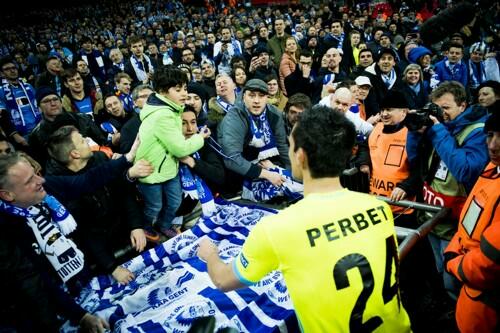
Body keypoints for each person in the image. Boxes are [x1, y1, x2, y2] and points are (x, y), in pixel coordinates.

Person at [198, 106, 411, 332]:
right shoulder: (379, 207)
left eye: (290, 146)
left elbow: (223, 280)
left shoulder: (279, 227)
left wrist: (210, 254)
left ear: (300, 156)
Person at [0, 147, 146, 332]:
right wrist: (80, 316)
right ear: (7, 195)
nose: (41, 180)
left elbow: (85, 181)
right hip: (46, 306)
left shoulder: (46, 188)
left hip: (79, 283)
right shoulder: (6, 233)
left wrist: (127, 158)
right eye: (30, 181)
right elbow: (33, 282)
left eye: (36, 174)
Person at [406, 81, 489, 297]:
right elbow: (415, 160)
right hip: (434, 216)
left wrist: (438, 131)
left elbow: (465, 170)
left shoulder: (478, 132)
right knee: (441, 270)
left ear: (463, 106)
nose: (441, 114)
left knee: (455, 278)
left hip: (457, 224)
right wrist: (415, 132)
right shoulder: (441, 127)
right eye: (437, 108)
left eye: (446, 108)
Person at [135, 66, 211, 238]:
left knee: (175, 202)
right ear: (162, 91)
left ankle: (164, 225)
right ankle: (145, 226)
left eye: (184, 88)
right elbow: (179, 148)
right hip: (151, 172)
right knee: (154, 206)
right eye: (178, 90)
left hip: (169, 168)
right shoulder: (163, 114)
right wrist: (200, 137)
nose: (184, 93)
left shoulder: (172, 108)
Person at [444, 111, 500, 333]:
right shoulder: (492, 170)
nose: (493, 145)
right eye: (490, 135)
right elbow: (469, 224)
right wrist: (454, 249)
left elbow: (488, 263)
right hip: (471, 298)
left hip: (487, 308)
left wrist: (454, 263)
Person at [218, 78, 290, 190]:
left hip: (268, 164)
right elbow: (231, 158)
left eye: (261, 96)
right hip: (239, 171)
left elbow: (282, 147)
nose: (256, 101)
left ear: (267, 98)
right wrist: (267, 175)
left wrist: (292, 173)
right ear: (243, 97)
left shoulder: (275, 114)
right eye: (251, 95)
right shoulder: (234, 117)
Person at [0, 56, 41, 144]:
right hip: (21, 135)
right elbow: (2, 116)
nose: (12, 70)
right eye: (7, 69)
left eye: (14, 68)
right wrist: (15, 135)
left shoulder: (28, 86)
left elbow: (38, 105)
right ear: (1, 74)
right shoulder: (1, 91)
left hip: (39, 129)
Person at [119, 84, 154, 154]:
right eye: (144, 96)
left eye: (152, 96)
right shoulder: (128, 128)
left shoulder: (165, 115)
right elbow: (127, 154)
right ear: (135, 102)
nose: (149, 98)